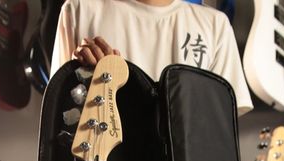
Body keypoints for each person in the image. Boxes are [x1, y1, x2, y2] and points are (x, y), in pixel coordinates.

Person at [50, 0, 253, 115]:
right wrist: (81, 79)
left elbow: (219, 127)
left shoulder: (215, 24)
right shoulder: (79, 9)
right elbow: (60, 114)